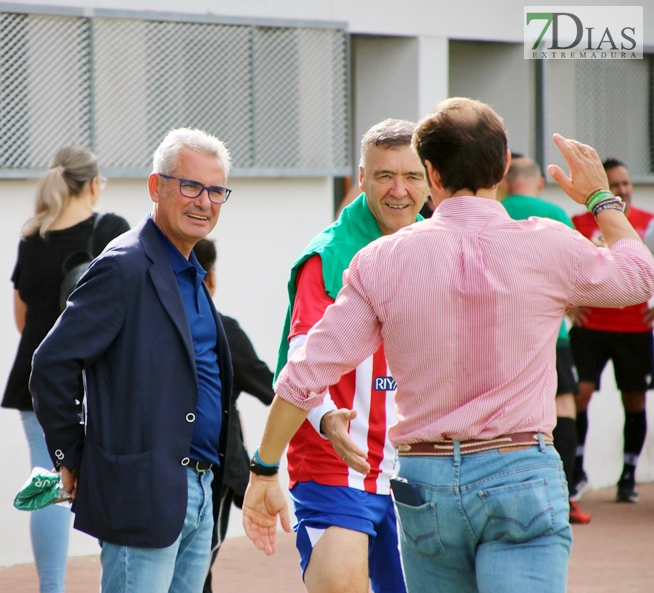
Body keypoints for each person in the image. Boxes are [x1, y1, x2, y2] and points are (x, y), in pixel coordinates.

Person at [243, 97, 654, 593]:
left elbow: (303, 373)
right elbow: (637, 279)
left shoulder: (380, 260)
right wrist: (601, 200)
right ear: (503, 166)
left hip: (426, 481)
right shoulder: (549, 242)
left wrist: (264, 468)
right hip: (519, 471)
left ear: (431, 175)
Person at [29, 128, 234, 593]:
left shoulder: (190, 272)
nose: (204, 201)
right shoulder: (123, 266)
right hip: (143, 494)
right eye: (190, 186)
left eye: (216, 190)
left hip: (199, 491)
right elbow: (52, 364)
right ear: (155, 187)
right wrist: (75, 456)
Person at [275, 119, 426, 593]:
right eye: (384, 176)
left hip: (416, 469)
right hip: (335, 466)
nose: (398, 190)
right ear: (361, 177)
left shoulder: (439, 243)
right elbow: (303, 358)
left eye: (412, 176)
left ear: (431, 178)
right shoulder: (330, 254)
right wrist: (325, 419)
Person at [1, 145, 129, 593]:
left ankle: (51, 588)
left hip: (35, 379)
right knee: (115, 479)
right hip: (96, 379)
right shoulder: (110, 230)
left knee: (49, 481)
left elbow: (22, 320)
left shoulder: (31, 238)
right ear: (94, 184)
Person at [500, 156, 590, 524]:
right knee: (564, 406)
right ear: (538, 183)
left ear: (504, 181)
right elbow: (578, 272)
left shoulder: (493, 209)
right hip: (554, 332)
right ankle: (563, 499)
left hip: (503, 332)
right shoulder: (554, 213)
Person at [192, 238, 275, 593]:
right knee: (197, 571)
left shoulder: (151, 330)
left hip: (166, 464)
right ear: (210, 278)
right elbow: (272, 389)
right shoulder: (223, 329)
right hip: (217, 466)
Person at [569, 158, 653, 504]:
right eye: (613, 185)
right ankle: (578, 471)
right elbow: (562, 265)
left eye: (625, 183)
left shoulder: (647, 224)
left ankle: (628, 475)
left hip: (634, 328)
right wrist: (569, 302)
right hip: (590, 327)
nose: (621, 190)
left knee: (633, 401)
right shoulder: (576, 223)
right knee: (579, 396)